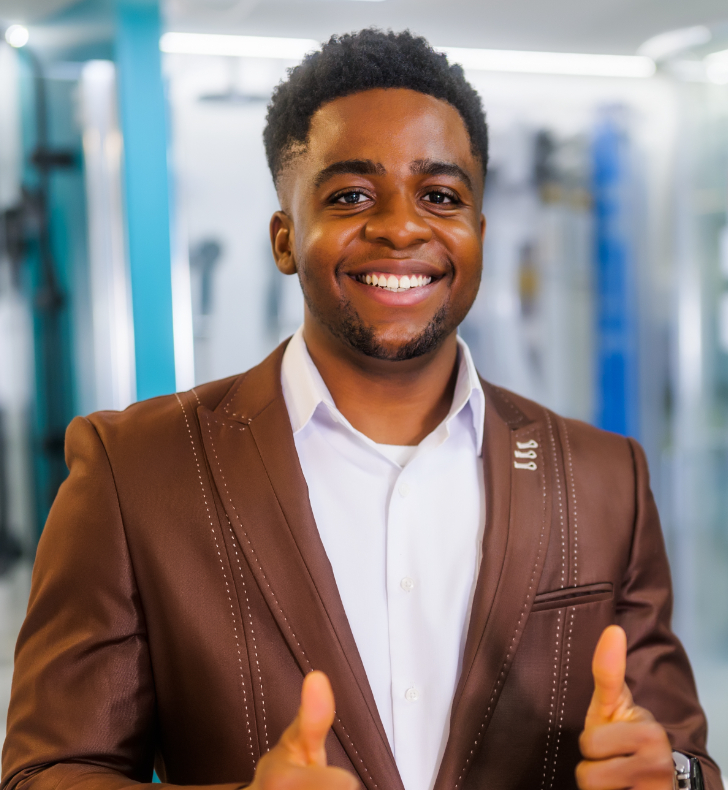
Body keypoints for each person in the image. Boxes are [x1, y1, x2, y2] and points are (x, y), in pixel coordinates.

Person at [1, 28, 721, 790]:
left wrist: (671, 776)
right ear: (285, 239)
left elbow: (682, 756)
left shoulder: (604, 479)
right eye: (350, 196)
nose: (403, 226)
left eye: (440, 196)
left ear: (478, 233)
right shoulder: (135, 471)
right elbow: (50, 771)